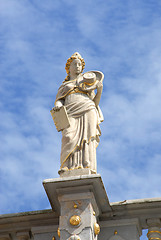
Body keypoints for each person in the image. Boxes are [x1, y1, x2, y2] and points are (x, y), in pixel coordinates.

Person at [53, 52, 104, 174]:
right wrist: (58, 106)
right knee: (68, 137)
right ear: (68, 68)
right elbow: (59, 100)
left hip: (88, 108)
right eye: (75, 64)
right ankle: (66, 166)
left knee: (87, 138)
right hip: (70, 111)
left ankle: (87, 164)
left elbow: (95, 102)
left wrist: (99, 91)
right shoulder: (65, 85)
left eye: (80, 65)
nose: (77, 67)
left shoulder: (85, 83)